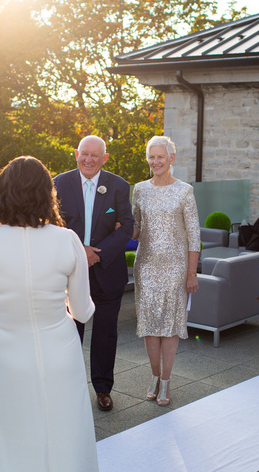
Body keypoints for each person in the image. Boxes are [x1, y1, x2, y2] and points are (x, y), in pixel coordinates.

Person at [0, 156, 100, 472]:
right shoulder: (67, 240)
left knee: (13, 446)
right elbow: (84, 311)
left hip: (8, 356)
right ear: (47, 194)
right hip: (60, 353)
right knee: (67, 442)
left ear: (2, 194)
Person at [54, 135, 134, 411]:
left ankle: (103, 388)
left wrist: (95, 252)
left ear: (105, 158)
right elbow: (53, 225)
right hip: (68, 272)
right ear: (76, 153)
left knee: (105, 334)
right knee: (69, 332)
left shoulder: (118, 186)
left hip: (107, 271)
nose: (88, 160)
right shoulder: (59, 183)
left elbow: (127, 227)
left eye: (95, 156)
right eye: (84, 154)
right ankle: (69, 388)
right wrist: (79, 251)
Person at [132, 136, 201, 406]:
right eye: (151, 156)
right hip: (146, 265)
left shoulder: (185, 190)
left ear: (172, 158)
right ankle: (153, 376)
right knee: (149, 326)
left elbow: (194, 235)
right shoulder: (139, 189)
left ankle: (167, 382)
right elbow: (136, 229)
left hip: (176, 267)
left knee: (170, 327)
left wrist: (191, 273)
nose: (155, 161)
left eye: (161, 156)